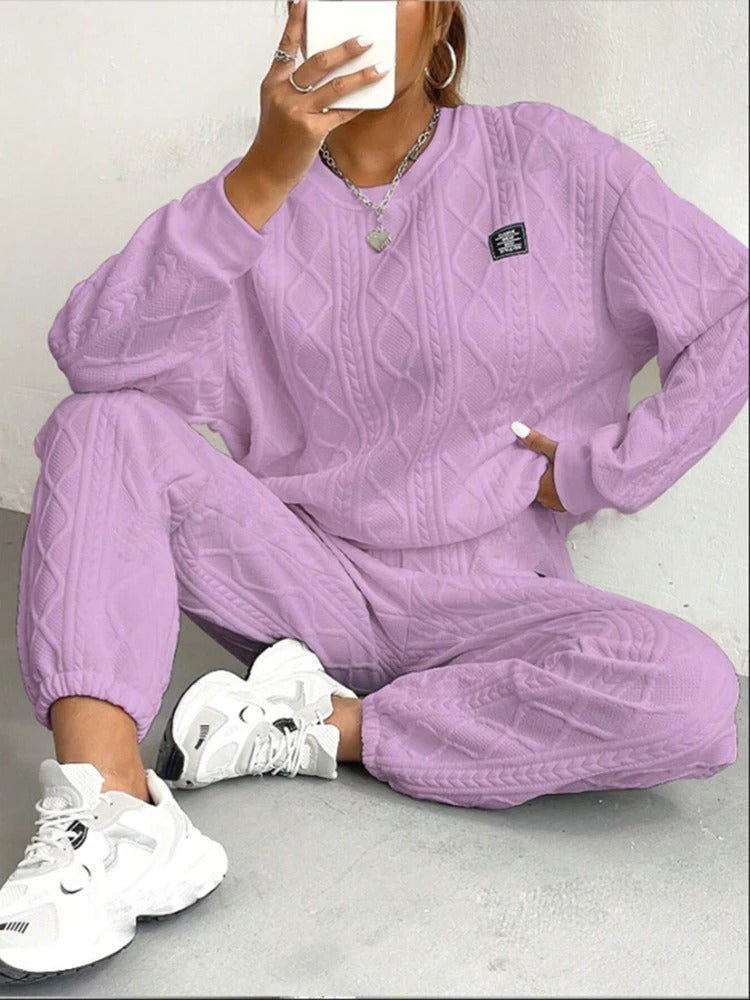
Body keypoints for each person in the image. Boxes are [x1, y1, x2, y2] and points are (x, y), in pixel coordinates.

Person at [1, 0, 748, 983]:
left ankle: (314, 726)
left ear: (438, 19)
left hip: (495, 605)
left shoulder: (549, 159)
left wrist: (601, 469)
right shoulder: (254, 203)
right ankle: (114, 812)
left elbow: (731, 308)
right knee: (101, 425)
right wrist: (262, 173)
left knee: (691, 695)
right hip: (302, 586)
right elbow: (93, 358)